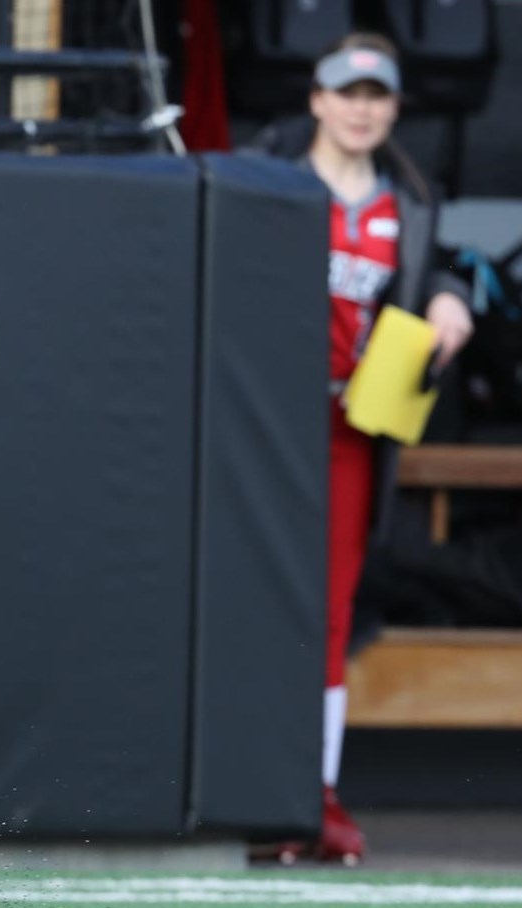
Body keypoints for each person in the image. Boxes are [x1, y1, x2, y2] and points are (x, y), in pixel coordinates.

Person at [249, 32, 474, 865]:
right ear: (314, 98)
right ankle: (248, 787)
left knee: (329, 612)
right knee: (251, 602)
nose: (360, 108)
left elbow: (437, 273)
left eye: (377, 96)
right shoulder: (264, 184)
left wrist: (451, 298)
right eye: (346, 91)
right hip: (259, 432)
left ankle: (315, 796)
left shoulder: (406, 203)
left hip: (349, 432)